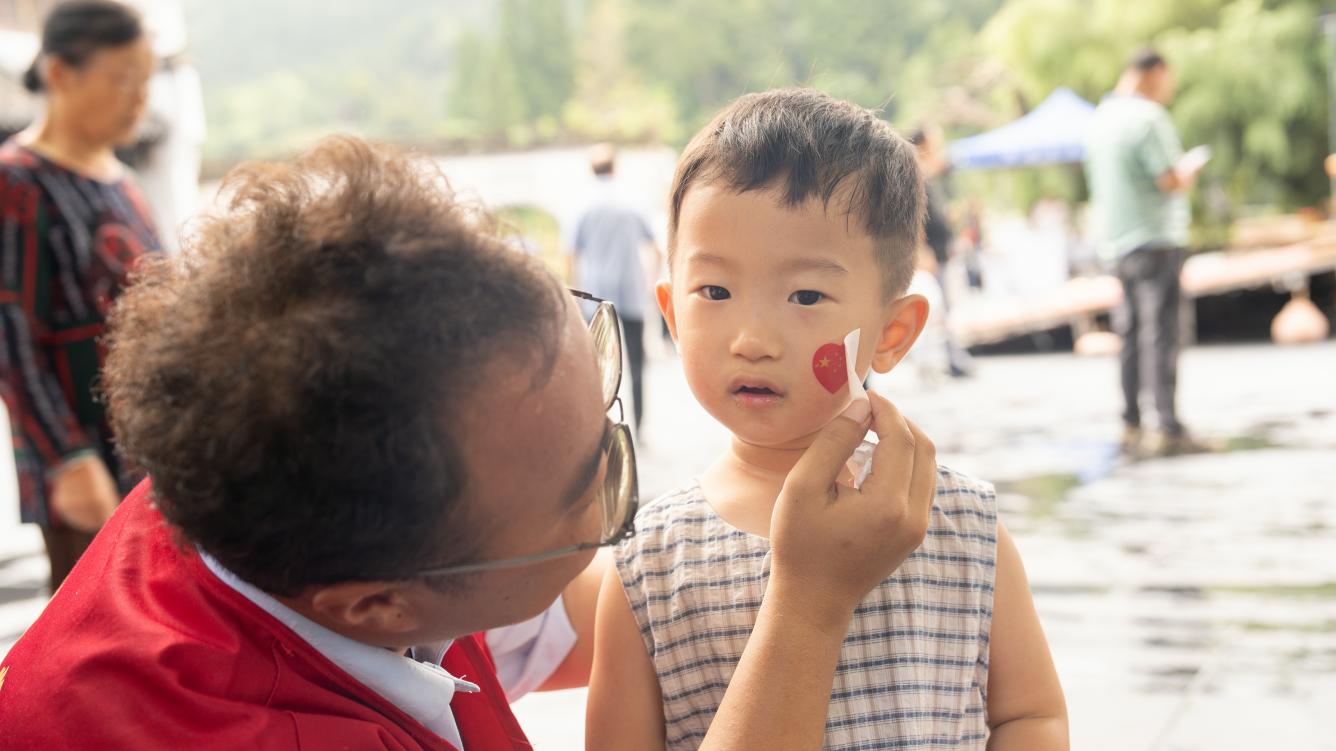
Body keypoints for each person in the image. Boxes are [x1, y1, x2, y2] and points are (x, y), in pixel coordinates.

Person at [0, 136, 942, 751]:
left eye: (594, 363)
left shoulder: (258, 467)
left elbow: (600, 608)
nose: (627, 488)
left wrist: (770, 548)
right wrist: (808, 608)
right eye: (602, 487)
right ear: (378, 604)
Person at [587, 89, 1068, 749]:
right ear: (670, 314)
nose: (751, 337)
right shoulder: (650, 564)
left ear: (893, 331)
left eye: (806, 294)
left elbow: (1030, 714)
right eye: (715, 291)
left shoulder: (957, 521)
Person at [0, 0, 159, 591]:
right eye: (122, 78)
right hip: (82, 460)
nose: (138, 97)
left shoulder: (125, 183)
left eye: (145, 81)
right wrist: (66, 458)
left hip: (149, 452)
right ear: (61, 74)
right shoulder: (18, 180)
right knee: (98, 620)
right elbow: (11, 340)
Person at [1085, 48, 1206, 457]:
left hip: (1117, 244)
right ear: (1153, 74)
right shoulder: (1148, 117)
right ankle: (1168, 425)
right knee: (1163, 333)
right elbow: (1168, 178)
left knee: (1132, 334)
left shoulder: (1099, 121)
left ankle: (1131, 422)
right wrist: (1188, 171)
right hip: (1156, 240)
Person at [572, 143, 658, 430]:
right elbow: (654, 247)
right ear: (615, 167)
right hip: (631, 287)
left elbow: (572, 252)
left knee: (593, 361)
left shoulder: (582, 204)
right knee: (635, 360)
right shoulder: (632, 200)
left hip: (594, 293)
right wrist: (652, 283)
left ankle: (598, 423)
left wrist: (574, 293)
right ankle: (641, 423)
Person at [908, 124, 971, 377]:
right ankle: (945, 360)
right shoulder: (915, 174)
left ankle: (951, 358)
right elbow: (917, 220)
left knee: (943, 308)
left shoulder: (927, 174)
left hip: (940, 252)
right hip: (931, 255)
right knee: (934, 309)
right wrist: (923, 252)